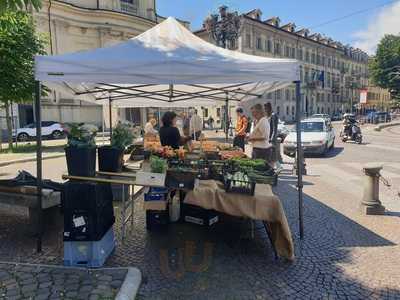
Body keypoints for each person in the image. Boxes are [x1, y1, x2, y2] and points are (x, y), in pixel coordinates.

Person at [265, 103, 283, 172]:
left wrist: (272, 139)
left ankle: (275, 168)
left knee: (272, 155)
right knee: (271, 155)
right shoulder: (268, 116)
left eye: (265, 108)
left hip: (271, 139)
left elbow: (275, 129)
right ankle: (277, 167)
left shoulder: (273, 115)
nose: (265, 110)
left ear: (269, 108)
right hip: (268, 138)